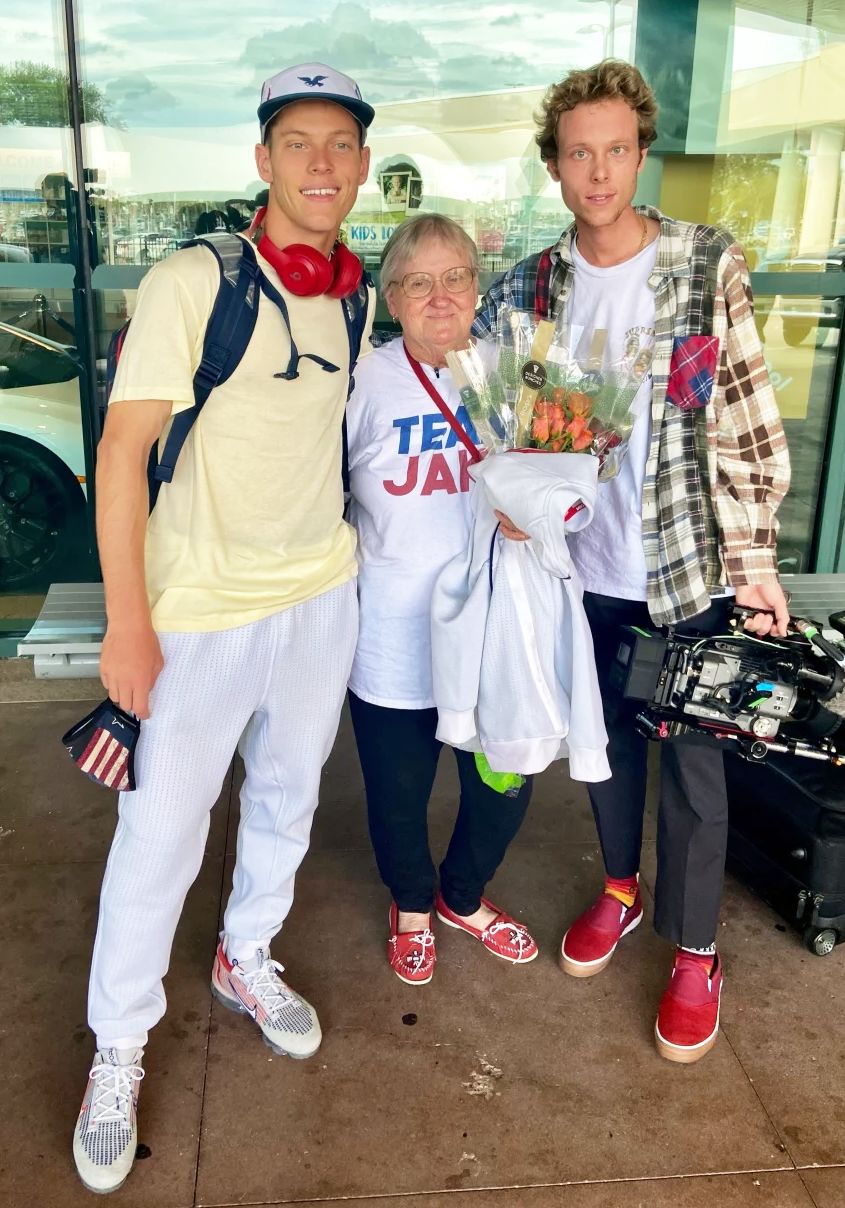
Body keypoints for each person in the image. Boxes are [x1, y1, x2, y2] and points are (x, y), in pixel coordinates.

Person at [72, 62, 375, 1194]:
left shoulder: (353, 291)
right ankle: (119, 1045)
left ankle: (246, 954)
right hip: (198, 612)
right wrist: (127, 623)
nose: (320, 163)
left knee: (289, 797)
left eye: (340, 144)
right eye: (298, 142)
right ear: (261, 161)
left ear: (358, 165)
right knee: (159, 834)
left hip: (317, 599)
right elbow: (120, 453)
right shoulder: (195, 280)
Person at [474, 60, 791, 1063]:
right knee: (603, 749)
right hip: (583, 571)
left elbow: (739, 414)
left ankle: (694, 950)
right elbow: (489, 406)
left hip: (684, 568)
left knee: (694, 771)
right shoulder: (532, 282)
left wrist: (753, 557)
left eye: (615, 148)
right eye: (578, 152)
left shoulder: (702, 264)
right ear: (554, 165)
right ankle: (620, 886)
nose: (597, 169)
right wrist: (515, 496)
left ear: (639, 153)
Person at [346, 213, 538, 985]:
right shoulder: (359, 380)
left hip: (499, 628)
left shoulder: (518, 374)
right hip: (394, 630)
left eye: (454, 276)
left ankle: (462, 895)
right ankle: (412, 907)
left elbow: (574, 486)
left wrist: (545, 514)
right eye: (417, 281)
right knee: (399, 791)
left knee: (506, 779)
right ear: (391, 297)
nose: (438, 296)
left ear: (475, 287)